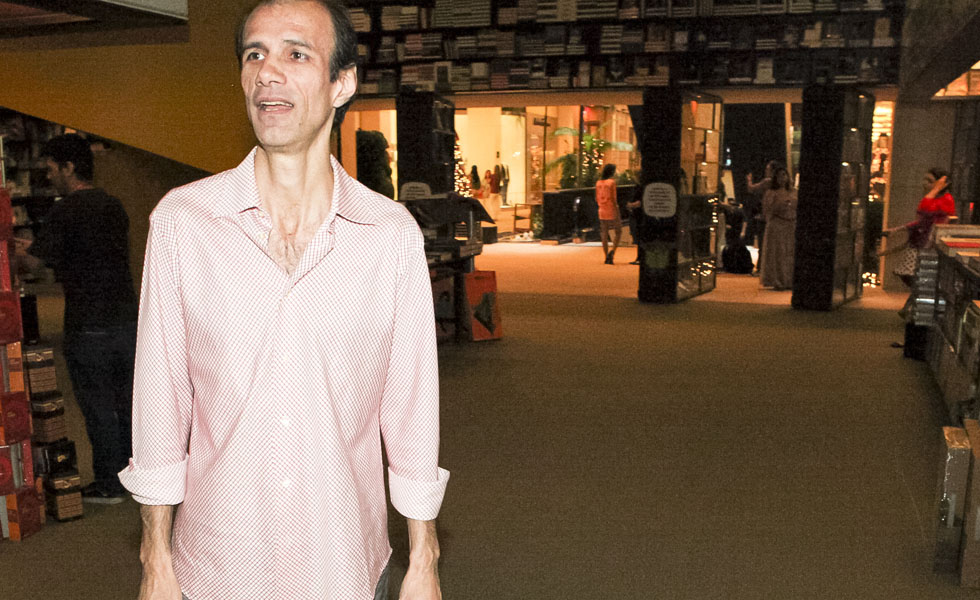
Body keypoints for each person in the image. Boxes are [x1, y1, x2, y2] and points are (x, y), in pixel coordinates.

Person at [118, 2, 448, 599]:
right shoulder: (184, 222)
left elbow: (411, 406)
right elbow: (160, 400)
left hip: (343, 562)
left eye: (296, 54)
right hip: (218, 565)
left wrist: (423, 558)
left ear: (341, 83)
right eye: (255, 55)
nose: (267, 72)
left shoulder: (388, 235)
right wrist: (154, 559)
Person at [18, 134, 138, 504]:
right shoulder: (113, 205)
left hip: (88, 323)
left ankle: (109, 484)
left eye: (52, 169)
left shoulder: (65, 210)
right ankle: (136, 476)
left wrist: (14, 251)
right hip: (126, 320)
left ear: (69, 168)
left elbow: (33, 264)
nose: (49, 176)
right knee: (128, 406)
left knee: (98, 408)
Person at [883, 168, 955, 314]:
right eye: (925, 179)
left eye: (930, 181)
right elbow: (920, 220)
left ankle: (912, 307)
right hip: (920, 243)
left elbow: (924, 209)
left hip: (930, 246)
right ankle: (911, 306)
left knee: (920, 278)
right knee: (914, 277)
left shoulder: (946, 199)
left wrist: (935, 190)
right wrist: (897, 230)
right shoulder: (936, 198)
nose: (924, 183)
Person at [758, 167, 797, 290]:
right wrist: (780, 205)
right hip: (777, 224)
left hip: (791, 224)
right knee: (778, 253)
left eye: (784, 175)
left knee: (789, 253)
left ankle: (789, 279)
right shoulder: (771, 193)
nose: (782, 178)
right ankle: (777, 280)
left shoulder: (794, 192)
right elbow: (767, 211)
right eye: (780, 176)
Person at [744, 159, 780, 273]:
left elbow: (751, 189)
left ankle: (760, 268)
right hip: (776, 216)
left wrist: (749, 180)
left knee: (762, 243)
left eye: (768, 169)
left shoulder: (767, 181)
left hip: (764, 216)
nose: (766, 171)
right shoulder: (780, 184)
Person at [595, 163, 621, 264]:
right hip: (611, 208)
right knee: (618, 231)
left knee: (604, 233)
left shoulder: (598, 183)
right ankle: (612, 251)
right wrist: (617, 209)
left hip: (602, 208)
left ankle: (606, 256)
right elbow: (614, 198)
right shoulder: (611, 182)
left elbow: (596, 197)